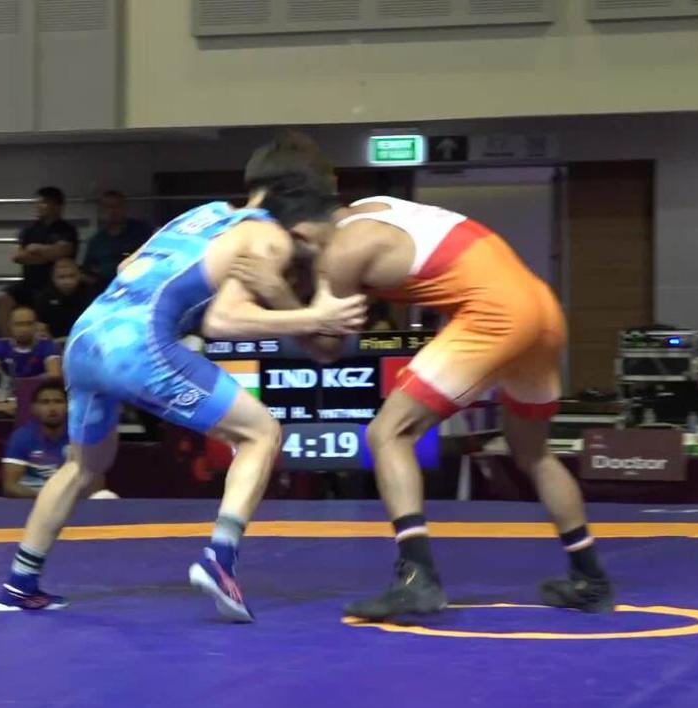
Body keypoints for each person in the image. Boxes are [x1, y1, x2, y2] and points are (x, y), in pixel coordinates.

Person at [232, 132, 613, 620]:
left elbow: (328, 349)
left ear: (301, 234)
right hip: (542, 311)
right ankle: (590, 578)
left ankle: (418, 578)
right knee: (533, 453)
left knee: (388, 433)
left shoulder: (340, 255)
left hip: (495, 315)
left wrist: (277, 293)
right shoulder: (375, 209)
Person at [0, 151, 367, 619]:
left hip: (85, 338)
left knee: (83, 466)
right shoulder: (267, 235)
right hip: (137, 345)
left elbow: (128, 267)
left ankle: (20, 583)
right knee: (261, 433)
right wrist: (315, 316)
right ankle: (220, 559)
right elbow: (224, 321)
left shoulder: (202, 214)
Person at [0, 187, 79, 337]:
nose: (40, 206)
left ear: (57, 206)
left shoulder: (67, 230)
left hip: (55, 284)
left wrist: (35, 248)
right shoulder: (29, 230)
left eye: (45, 202)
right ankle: (7, 343)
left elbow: (63, 252)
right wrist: (48, 254)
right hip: (30, 282)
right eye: (38, 202)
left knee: (45, 299)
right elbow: (18, 257)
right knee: (3, 298)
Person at [2, 379, 86, 498]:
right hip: (30, 502)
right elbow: (10, 486)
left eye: (58, 401)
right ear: (34, 408)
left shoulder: (81, 439)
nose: (52, 408)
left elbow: (94, 482)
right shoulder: (21, 437)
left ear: (69, 406)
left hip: (72, 503)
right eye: (45, 402)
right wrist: (46, 500)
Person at [0, 307, 61, 419]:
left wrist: (23, 404)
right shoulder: (2, 346)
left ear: (36, 325)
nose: (24, 329)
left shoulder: (47, 346)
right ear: (10, 326)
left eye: (29, 324)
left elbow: (55, 377)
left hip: (39, 402)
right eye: (19, 324)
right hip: (8, 400)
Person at [82, 190, 155, 292]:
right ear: (101, 211)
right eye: (108, 207)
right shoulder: (96, 241)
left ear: (125, 208)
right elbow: (88, 272)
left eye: (117, 206)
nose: (113, 211)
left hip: (140, 285)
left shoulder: (142, 230)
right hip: (107, 290)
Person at [33, 258, 97, 341]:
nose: (67, 281)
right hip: (54, 341)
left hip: (84, 339)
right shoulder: (44, 297)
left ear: (79, 276)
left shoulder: (91, 294)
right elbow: (41, 328)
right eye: (61, 277)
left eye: (71, 276)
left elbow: (95, 324)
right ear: (53, 279)